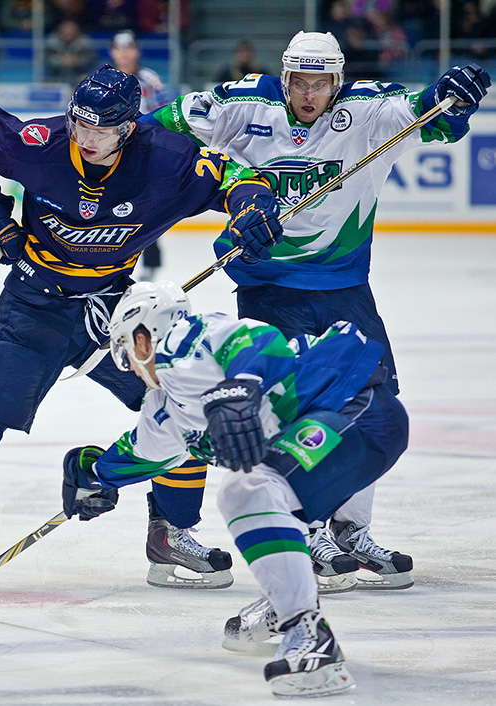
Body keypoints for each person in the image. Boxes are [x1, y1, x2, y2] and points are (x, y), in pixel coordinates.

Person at [0, 65, 284, 594]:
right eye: (79, 124)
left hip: (113, 310)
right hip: (30, 307)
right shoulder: (40, 143)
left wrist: (253, 209)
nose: (85, 138)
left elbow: (241, 178)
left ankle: (171, 533)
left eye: (100, 130)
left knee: (181, 404)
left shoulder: (167, 160)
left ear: (128, 128)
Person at [140, 31, 490, 592]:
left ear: (337, 81)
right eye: (299, 82)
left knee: (373, 403)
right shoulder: (242, 105)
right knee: (291, 409)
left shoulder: (369, 110)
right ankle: (304, 529)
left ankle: (351, 531)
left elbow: (436, 117)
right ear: (284, 79)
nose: (308, 94)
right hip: (268, 285)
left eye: (320, 84)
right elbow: (156, 129)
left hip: (345, 287)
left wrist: (455, 95)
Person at [60, 280, 409, 698]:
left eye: (124, 350)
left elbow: (256, 340)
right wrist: (95, 476)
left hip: (356, 410)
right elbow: (144, 452)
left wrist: (236, 390)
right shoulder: (164, 405)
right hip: (338, 441)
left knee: (246, 491)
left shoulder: (188, 339)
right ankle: (286, 602)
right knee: (270, 500)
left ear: (142, 337)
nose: (130, 368)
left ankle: (311, 640)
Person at [109, 29, 176, 280]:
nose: (125, 54)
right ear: (112, 52)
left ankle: (150, 262)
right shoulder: (104, 79)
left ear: (137, 51)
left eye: (129, 48)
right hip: (110, 152)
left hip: (144, 152)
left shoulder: (150, 79)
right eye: (120, 48)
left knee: (145, 208)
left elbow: (167, 113)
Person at [44, 19, 98, 87]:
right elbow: (46, 59)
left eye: (71, 30)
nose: (68, 32)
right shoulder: (51, 42)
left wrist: (76, 60)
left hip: (79, 75)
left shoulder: (85, 42)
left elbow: (91, 58)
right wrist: (60, 60)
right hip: (56, 76)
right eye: (66, 30)